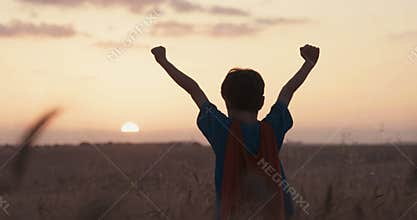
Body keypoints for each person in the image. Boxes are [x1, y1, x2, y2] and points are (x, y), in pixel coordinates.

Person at [151, 44, 320, 219]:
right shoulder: (272, 129)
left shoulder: (221, 130)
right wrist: (309, 63)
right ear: (261, 102)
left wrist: (163, 61)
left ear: (225, 101)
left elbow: (194, 90)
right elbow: (288, 92)